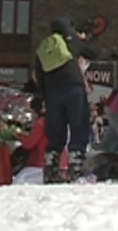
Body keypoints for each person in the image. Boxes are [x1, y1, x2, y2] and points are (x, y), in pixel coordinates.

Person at [34, 17, 92, 183]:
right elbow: (92, 53)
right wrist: (81, 40)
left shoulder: (43, 47)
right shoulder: (70, 40)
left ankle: (50, 170)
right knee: (78, 125)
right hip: (73, 88)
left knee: (55, 132)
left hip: (52, 92)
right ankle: (76, 167)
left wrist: (44, 96)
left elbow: (39, 75)